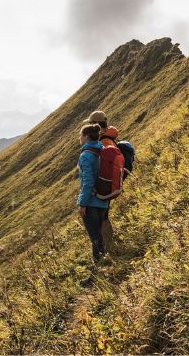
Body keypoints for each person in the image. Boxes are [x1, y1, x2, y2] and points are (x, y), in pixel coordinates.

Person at [83, 110, 118, 254]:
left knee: (103, 219)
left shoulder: (103, 141)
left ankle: (108, 248)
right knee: (104, 217)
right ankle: (109, 246)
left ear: (94, 124)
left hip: (102, 187)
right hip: (108, 185)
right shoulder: (108, 139)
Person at [77, 123, 109, 263]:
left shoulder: (85, 155)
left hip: (91, 203)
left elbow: (88, 182)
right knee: (99, 236)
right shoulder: (103, 149)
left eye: (81, 135)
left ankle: (98, 270)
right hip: (103, 200)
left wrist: (82, 203)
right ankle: (104, 263)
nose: (79, 138)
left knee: (95, 238)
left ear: (86, 137)